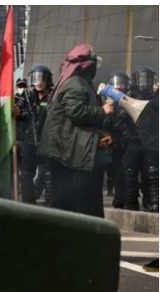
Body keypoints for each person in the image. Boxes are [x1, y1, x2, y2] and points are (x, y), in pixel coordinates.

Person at [38, 44, 113, 218]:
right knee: (73, 203)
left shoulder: (78, 83)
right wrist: (103, 111)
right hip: (68, 154)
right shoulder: (76, 84)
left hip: (71, 151)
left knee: (73, 203)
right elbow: (76, 112)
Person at [15, 65, 53, 204]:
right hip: (30, 141)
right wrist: (17, 112)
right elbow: (17, 115)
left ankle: (50, 204)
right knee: (26, 174)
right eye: (36, 78)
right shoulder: (28, 98)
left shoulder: (53, 98)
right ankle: (28, 204)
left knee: (48, 174)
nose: (38, 82)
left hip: (47, 141)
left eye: (42, 78)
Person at [124, 66, 158, 212]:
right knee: (129, 172)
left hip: (151, 141)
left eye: (147, 79)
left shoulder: (156, 98)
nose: (144, 83)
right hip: (133, 140)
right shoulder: (128, 96)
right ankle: (130, 202)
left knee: (152, 173)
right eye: (141, 79)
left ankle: (153, 202)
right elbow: (121, 118)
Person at [101, 71, 137, 209]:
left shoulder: (131, 101)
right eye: (117, 83)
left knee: (126, 172)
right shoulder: (107, 102)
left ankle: (125, 200)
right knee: (114, 172)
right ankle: (118, 198)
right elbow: (103, 123)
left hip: (127, 142)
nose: (119, 87)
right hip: (112, 143)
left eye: (122, 83)